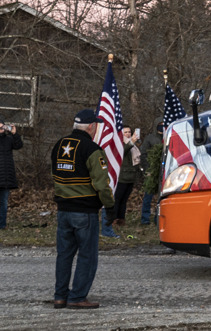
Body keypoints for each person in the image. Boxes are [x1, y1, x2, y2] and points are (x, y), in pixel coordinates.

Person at [52, 108, 114, 309]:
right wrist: (110, 207)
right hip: (85, 211)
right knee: (87, 256)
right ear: (91, 126)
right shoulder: (92, 149)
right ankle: (77, 297)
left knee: (64, 255)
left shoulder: (58, 145)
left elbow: (56, 176)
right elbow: (101, 184)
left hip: (63, 210)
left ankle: (60, 296)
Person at [103, 125, 138, 234]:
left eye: (129, 132)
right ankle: (113, 220)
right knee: (117, 199)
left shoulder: (133, 144)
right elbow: (122, 152)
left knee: (124, 200)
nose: (128, 134)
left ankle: (121, 219)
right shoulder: (120, 144)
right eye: (125, 132)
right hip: (122, 176)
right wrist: (131, 143)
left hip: (131, 176)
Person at [138, 119, 163, 225]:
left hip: (163, 171)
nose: (162, 127)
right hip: (151, 171)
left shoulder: (168, 137)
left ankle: (158, 218)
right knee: (148, 195)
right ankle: (145, 218)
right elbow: (143, 154)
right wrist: (147, 169)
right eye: (159, 125)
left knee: (161, 197)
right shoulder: (150, 138)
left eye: (163, 125)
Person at [0, 118, 23, 230]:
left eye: (2, 127)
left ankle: (2, 224)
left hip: (5, 176)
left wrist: (14, 133)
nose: (1, 129)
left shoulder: (9, 139)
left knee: (3, 202)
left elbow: (19, 145)